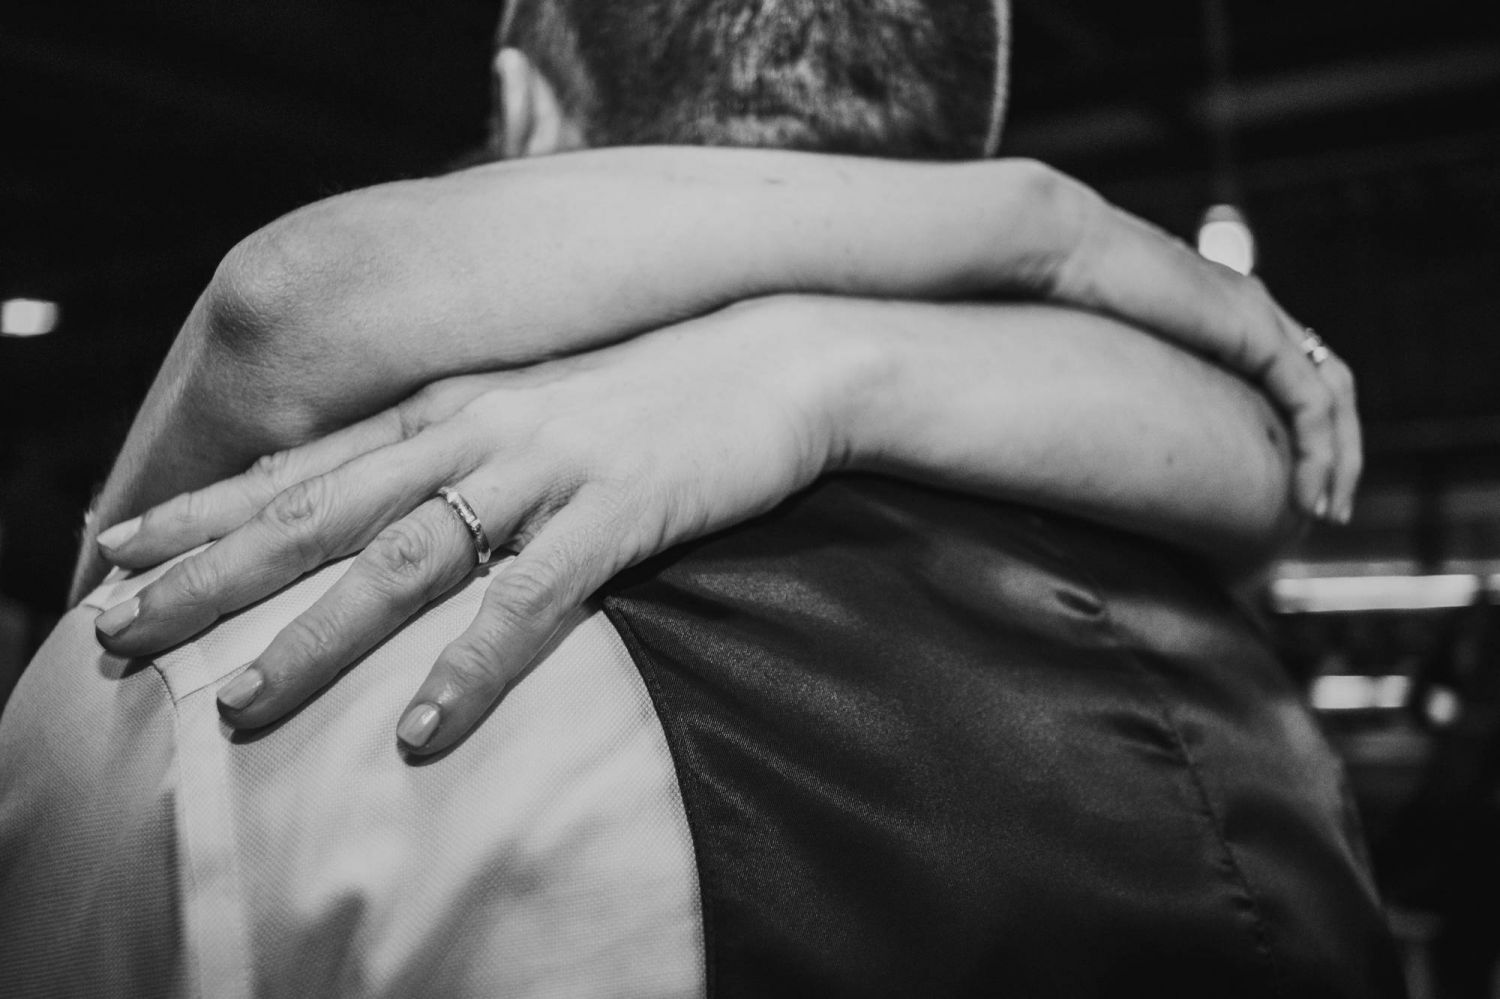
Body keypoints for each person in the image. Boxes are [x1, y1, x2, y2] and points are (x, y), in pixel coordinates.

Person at [0, 1, 1395, 997]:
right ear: (961, 139)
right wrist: (1032, 234)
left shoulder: (222, 679)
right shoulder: (1227, 645)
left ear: (526, 112)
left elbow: (274, 311)